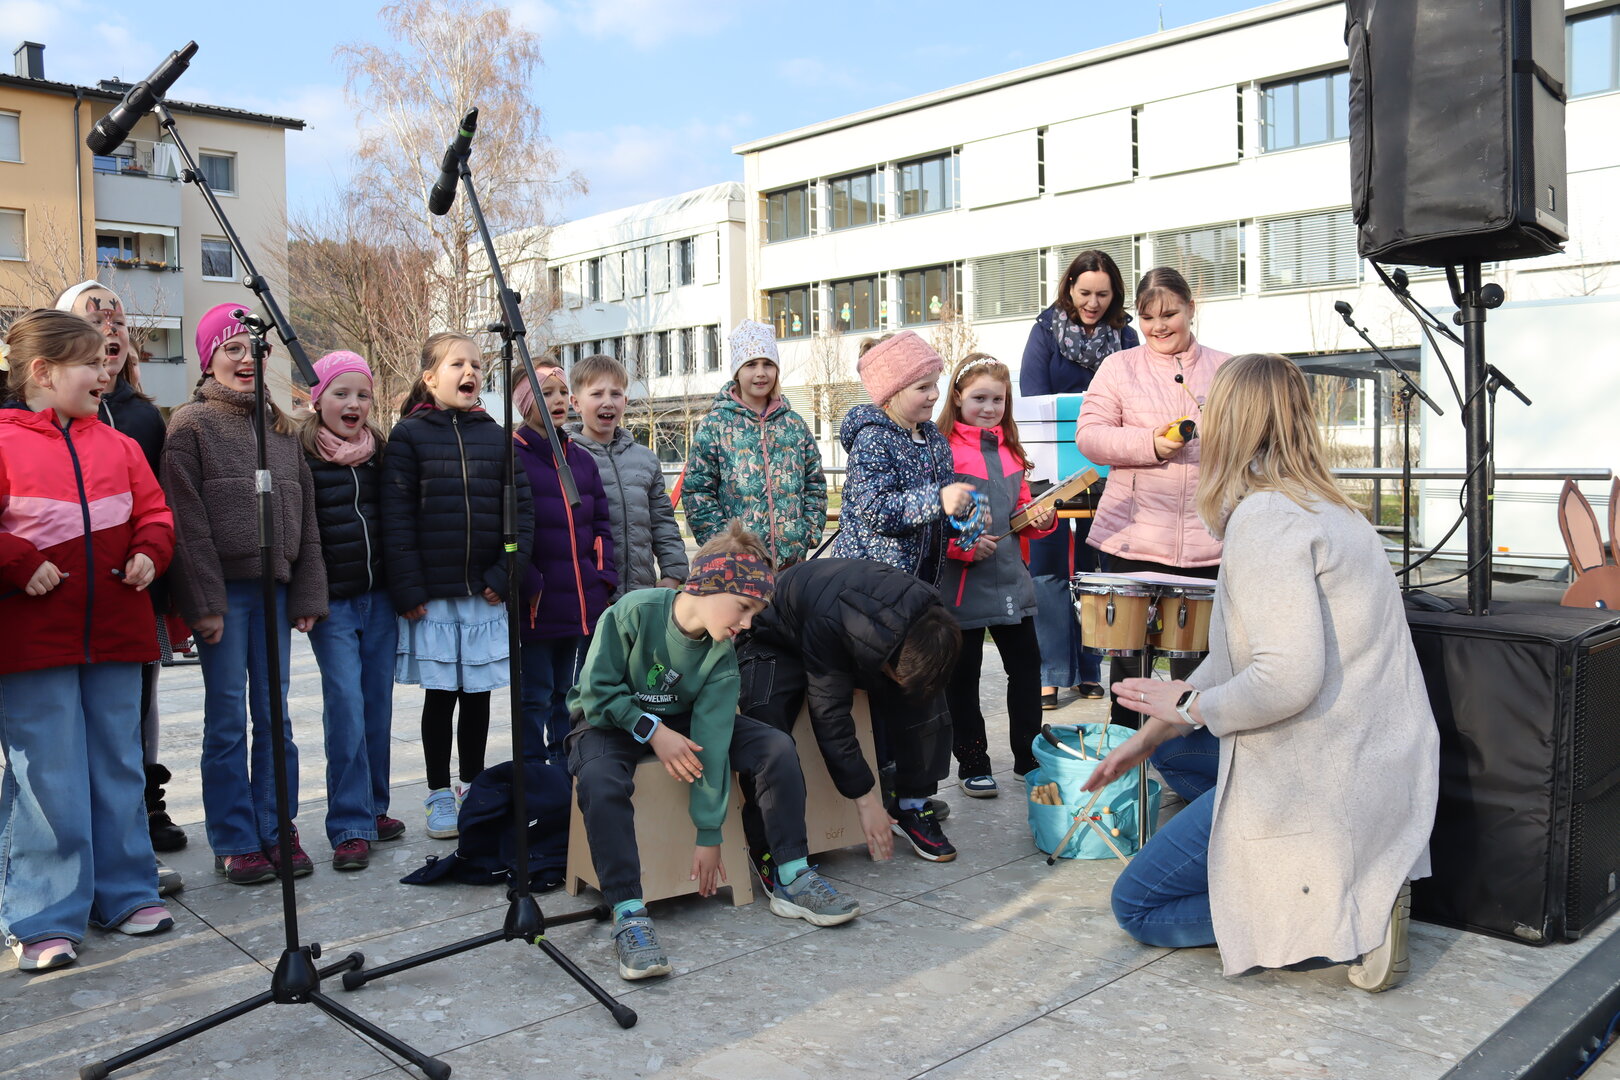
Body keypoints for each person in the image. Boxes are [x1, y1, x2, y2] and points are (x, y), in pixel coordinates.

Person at [1083, 353, 1439, 992]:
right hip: (1377, 757)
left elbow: (1284, 679)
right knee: (1175, 754)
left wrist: (1190, 706)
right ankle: (1307, 871)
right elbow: (1236, 660)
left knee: (1137, 905)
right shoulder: (1333, 507)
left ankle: (1348, 912)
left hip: (1321, 775)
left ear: (1227, 423)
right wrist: (1150, 735)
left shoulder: (1266, 520)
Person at [567, 521, 859, 982]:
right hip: (609, 721)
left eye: (754, 614)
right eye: (743, 608)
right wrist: (654, 732)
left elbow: (714, 740)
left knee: (775, 746)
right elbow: (597, 694)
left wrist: (709, 833)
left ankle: (791, 874)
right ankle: (628, 912)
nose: (747, 625)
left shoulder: (721, 654)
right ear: (707, 586)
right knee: (600, 780)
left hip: (684, 721)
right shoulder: (633, 612)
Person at [0, 310, 176, 972]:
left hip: (116, 636)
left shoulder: (120, 446)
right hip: (33, 643)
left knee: (118, 766)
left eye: (107, 360)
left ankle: (126, 892)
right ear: (43, 372)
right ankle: (43, 915)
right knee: (47, 778)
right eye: (90, 362)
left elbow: (156, 512)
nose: (106, 372)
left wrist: (150, 549)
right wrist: (19, 560)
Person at [163, 303, 328, 886]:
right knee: (228, 718)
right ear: (208, 359)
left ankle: (277, 824)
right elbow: (186, 524)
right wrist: (204, 602)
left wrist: (308, 591)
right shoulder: (190, 426)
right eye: (230, 348)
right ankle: (234, 837)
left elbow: (306, 518)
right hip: (225, 598)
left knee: (275, 717)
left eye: (253, 349)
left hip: (274, 593)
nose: (245, 358)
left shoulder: (282, 429)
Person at [54, 280, 187, 895]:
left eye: (118, 321)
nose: (109, 327)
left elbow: (159, 506)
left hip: (135, 592)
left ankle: (140, 811)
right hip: (61, 602)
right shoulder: (29, 421)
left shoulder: (141, 416)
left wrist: (159, 569)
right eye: (94, 319)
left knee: (134, 707)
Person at [382, 332, 533, 841]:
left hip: (483, 594)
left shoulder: (497, 436)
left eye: (476, 364)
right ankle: (437, 793)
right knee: (441, 696)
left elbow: (521, 514)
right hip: (434, 597)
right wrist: (408, 588)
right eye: (457, 364)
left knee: (478, 697)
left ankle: (472, 785)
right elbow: (396, 518)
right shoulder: (408, 436)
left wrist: (504, 575)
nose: (470, 372)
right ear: (430, 377)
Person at [1074, 267, 1231, 728]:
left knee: (1199, 672)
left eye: (1169, 314)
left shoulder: (1227, 368)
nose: (1159, 326)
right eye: (1147, 317)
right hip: (1133, 539)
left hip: (1209, 541)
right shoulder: (1118, 367)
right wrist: (1151, 444)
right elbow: (1090, 436)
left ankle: (1192, 759)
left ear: (1191, 308)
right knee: (1130, 670)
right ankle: (1126, 757)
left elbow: (1253, 439)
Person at [736, 558, 963, 864]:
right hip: (777, 634)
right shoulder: (832, 621)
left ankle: (911, 803)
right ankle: (771, 846)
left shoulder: (930, 612)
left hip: (841, 628)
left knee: (925, 693)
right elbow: (830, 716)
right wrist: (865, 800)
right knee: (765, 718)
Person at [1019, 249, 1139, 708]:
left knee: (1097, 572)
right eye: (1085, 292)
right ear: (1069, 287)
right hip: (1050, 470)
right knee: (1047, 572)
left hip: (1107, 470)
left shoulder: (1126, 336)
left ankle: (1090, 669)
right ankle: (1050, 671)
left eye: (1102, 295)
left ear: (1115, 294)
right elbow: (1032, 395)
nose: (1092, 303)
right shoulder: (1044, 330)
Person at [298, 351, 402, 872]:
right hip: (333, 604)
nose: (353, 403)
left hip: (381, 598)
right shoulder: (301, 454)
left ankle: (374, 807)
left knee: (377, 706)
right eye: (341, 393)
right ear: (319, 400)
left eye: (362, 394)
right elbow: (300, 533)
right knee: (345, 705)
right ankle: (348, 824)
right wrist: (306, 596)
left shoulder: (380, 452)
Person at [938, 353, 1057, 796]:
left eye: (999, 400)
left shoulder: (1010, 449)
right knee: (962, 676)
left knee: (1026, 669)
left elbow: (1020, 509)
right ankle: (972, 762)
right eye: (979, 398)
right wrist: (961, 546)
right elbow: (934, 519)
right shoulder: (942, 448)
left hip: (1010, 578)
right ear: (957, 397)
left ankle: (1028, 757)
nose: (989, 408)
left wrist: (1040, 519)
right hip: (961, 586)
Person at [514, 361, 615, 767]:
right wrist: (528, 581)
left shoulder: (582, 460)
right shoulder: (513, 457)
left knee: (568, 693)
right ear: (524, 402)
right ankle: (531, 772)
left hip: (580, 601)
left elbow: (601, 524)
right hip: (537, 605)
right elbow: (509, 531)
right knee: (534, 695)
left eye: (561, 392)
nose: (557, 401)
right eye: (545, 393)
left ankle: (565, 767)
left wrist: (603, 578)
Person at [831, 331, 976, 588]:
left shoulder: (935, 440)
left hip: (922, 580)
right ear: (891, 394)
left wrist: (965, 514)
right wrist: (939, 500)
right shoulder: (872, 440)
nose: (934, 394)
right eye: (923, 387)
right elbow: (878, 512)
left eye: (935, 384)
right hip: (871, 584)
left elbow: (937, 519)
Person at [682, 320, 827, 568]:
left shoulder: (794, 424)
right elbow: (697, 491)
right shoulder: (715, 425)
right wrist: (722, 542)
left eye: (768, 364)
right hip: (737, 563)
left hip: (791, 562)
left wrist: (808, 531)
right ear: (737, 371)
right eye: (751, 364)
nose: (761, 373)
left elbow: (814, 483)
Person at [564, 354, 688, 596]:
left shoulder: (645, 459)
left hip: (641, 592)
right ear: (576, 403)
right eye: (597, 394)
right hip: (590, 594)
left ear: (625, 400)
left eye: (616, 394)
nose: (608, 402)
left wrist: (672, 575)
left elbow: (662, 522)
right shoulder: (566, 457)